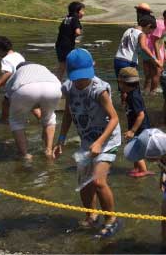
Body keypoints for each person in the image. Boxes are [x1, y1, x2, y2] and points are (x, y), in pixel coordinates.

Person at [54, 48, 122, 238]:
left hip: (107, 139)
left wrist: (100, 142)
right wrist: (61, 139)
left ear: (93, 67)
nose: (81, 81)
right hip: (87, 140)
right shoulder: (68, 88)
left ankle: (111, 219)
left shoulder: (98, 89)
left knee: (99, 182)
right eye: (77, 78)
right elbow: (68, 113)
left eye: (84, 77)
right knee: (84, 183)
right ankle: (91, 215)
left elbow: (115, 118)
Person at [1, 62, 62, 160]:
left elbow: (6, 101)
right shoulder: (42, 67)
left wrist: (3, 119)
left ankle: (25, 155)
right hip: (54, 87)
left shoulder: (17, 74)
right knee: (49, 119)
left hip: (25, 88)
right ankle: (48, 150)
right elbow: (39, 92)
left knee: (16, 122)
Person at [117, 67, 154, 178]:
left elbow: (141, 115)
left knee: (135, 149)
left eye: (119, 82)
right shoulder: (132, 92)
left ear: (123, 83)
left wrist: (132, 131)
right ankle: (137, 168)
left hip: (140, 128)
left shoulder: (134, 97)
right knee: (133, 147)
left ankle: (143, 170)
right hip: (137, 127)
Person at [55, 1, 84, 78]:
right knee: (72, 65)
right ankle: (73, 82)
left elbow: (62, 30)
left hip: (59, 45)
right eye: (82, 11)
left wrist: (70, 37)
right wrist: (75, 36)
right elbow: (78, 32)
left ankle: (58, 82)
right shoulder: (75, 19)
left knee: (62, 66)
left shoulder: (66, 19)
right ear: (77, 12)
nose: (83, 13)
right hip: (67, 46)